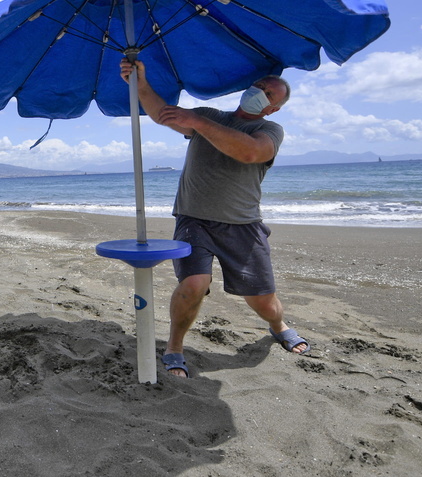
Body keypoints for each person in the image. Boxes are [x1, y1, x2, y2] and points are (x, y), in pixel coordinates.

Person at [120, 58, 309, 379]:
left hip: (243, 225)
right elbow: (160, 113)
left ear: (273, 109)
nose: (260, 92)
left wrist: (199, 123)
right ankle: (175, 347)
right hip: (194, 220)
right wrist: (139, 82)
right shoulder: (207, 116)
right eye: (260, 86)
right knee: (193, 284)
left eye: (269, 94)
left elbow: (251, 152)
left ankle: (278, 325)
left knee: (263, 302)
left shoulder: (268, 129)